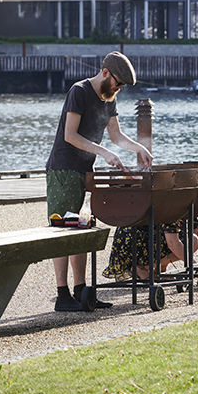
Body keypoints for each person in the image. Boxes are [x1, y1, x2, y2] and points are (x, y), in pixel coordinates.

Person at [46, 52, 153, 312]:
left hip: (85, 170)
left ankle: (81, 292)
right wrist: (103, 153)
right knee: (62, 230)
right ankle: (62, 296)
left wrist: (138, 147)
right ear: (105, 72)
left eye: (122, 87)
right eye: (118, 83)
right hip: (63, 169)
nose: (119, 88)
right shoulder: (79, 91)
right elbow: (70, 135)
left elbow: (115, 135)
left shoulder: (109, 98)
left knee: (81, 229)